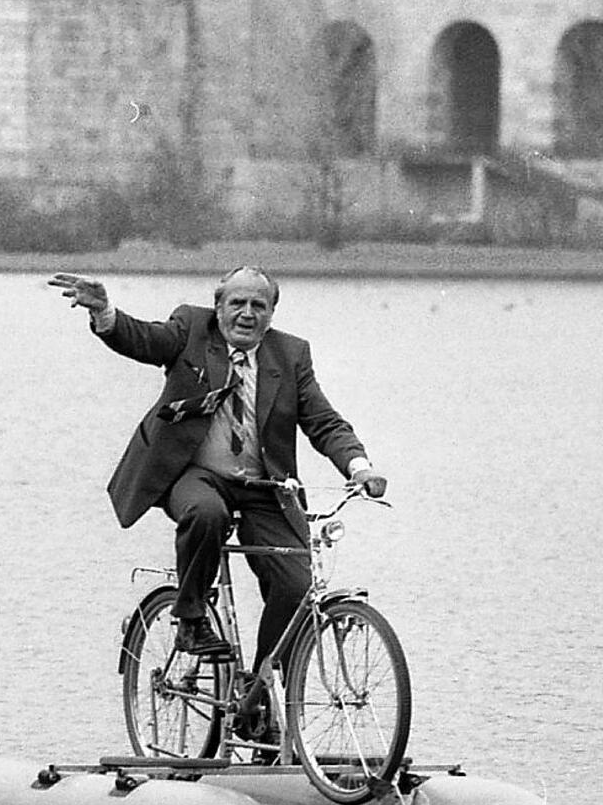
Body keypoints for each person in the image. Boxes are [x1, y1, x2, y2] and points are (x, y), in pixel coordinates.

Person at [48, 267, 385, 663]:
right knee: (206, 512)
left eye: (258, 305)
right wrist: (106, 313)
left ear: (271, 314)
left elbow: (324, 422)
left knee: (296, 585)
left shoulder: (291, 355)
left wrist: (359, 467)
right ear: (218, 307)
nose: (247, 313)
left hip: (264, 487)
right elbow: (144, 340)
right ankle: (190, 619)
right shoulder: (191, 328)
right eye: (237, 303)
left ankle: (264, 690)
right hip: (196, 474)